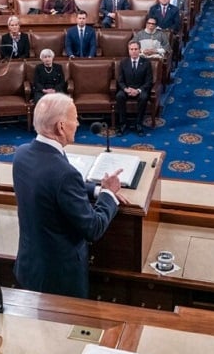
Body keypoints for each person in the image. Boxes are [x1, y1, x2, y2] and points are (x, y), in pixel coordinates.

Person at [12, 93, 122, 299]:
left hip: (30, 266)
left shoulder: (21, 154)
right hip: (59, 280)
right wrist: (108, 194)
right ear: (61, 127)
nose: (78, 123)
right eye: (75, 118)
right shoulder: (65, 174)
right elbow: (93, 228)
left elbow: (51, 185)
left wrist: (97, 189)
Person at [114, 42, 153, 136]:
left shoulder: (146, 63)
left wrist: (138, 90)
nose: (134, 51)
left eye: (136, 49)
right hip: (127, 89)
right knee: (119, 96)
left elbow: (149, 81)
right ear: (128, 51)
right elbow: (120, 80)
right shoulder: (123, 62)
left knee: (144, 97)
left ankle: (138, 124)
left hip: (140, 89)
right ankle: (123, 124)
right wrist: (126, 89)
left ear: (139, 50)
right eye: (131, 49)